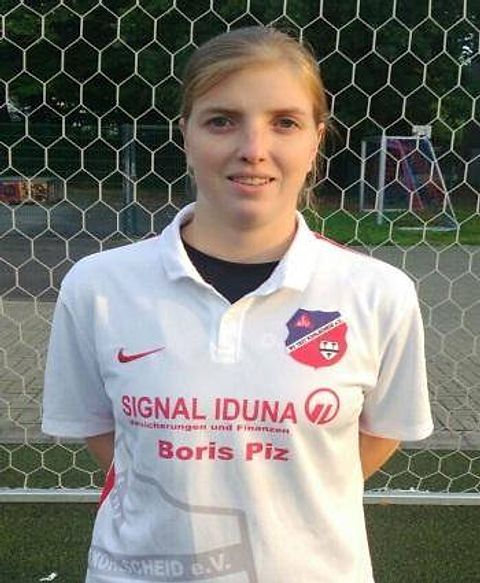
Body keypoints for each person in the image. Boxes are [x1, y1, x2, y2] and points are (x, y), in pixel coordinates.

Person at [42, 26, 434, 583]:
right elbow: (102, 433)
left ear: (316, 139)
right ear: (185, 133)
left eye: (285, 122)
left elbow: (380, 434)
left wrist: (284, 497)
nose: (253, 148)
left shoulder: (378, 293)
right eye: (222, 120)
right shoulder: (98, 285)